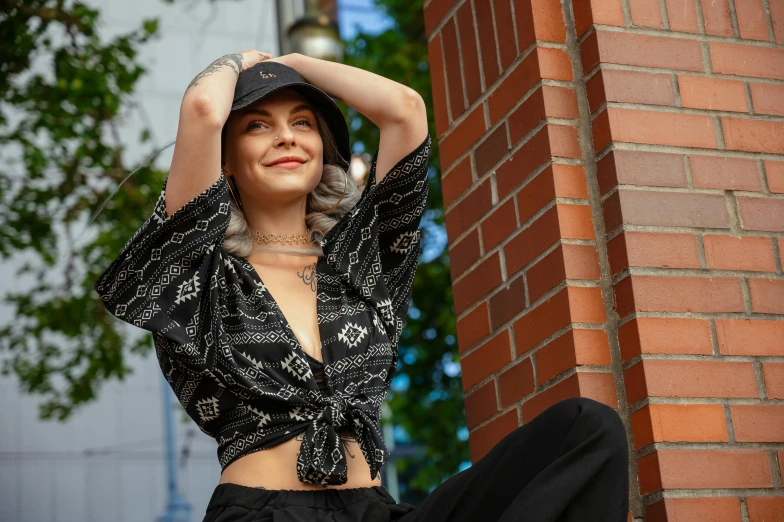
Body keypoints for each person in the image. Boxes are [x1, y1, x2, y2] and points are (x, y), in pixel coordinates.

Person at [94, 49, 630, 521]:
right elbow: (205, 110)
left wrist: (293, 65)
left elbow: (404, 110)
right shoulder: (199, 273)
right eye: (258, 125)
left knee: (585, 429)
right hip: (263, 511)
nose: (286, 135)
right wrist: (242, 61)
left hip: (375, 506)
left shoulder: (364, 263)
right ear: (225, 162)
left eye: (302, 122)